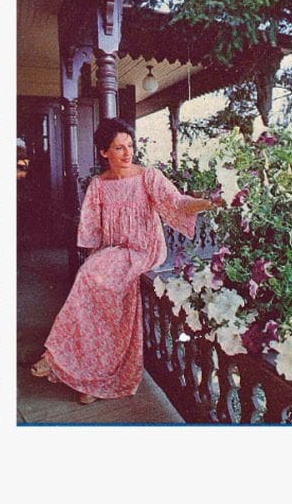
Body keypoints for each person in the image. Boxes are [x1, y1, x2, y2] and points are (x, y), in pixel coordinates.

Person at [30, 117, 215, 404]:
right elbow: (91, 230)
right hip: (115, 251)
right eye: (119, 148)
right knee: (91, 283)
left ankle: (61, 360)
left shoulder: (148, 177)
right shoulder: (98, 185)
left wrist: (206, 202)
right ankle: (85, 376)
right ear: (104, 153)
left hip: (145, 249)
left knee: (95, 279)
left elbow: (177, 204)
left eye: (129, 146)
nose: (128, 153)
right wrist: (96, 263)